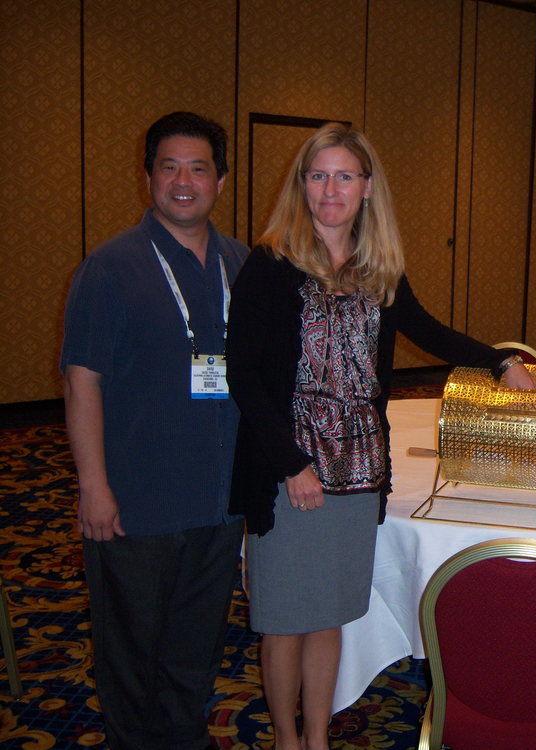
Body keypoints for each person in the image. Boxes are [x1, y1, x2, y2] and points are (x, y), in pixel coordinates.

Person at [225, 122, 534, 750]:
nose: (330, 189)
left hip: (359, 469)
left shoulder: (378, 267)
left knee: (331, 615)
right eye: (318, 176)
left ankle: (317, 739)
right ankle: (287, 740)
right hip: (291, 467)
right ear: (302, 185)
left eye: (344, 176)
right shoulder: (272, 261)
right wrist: (290, 464)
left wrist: (500, 360)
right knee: (284, 620)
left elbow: (430, 331)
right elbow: (244, 375)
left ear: (367, 187)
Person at [61, 112, 249, 750]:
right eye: (168, 166)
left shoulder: (241, 264)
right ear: (148, 178)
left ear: (221, 180)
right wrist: (94, 484)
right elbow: (82, 380)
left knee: (194, 649)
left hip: (220, 500)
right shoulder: (110, 267)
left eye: (199, 167)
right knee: (131, 654)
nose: (183, 181)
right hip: (137, 502)